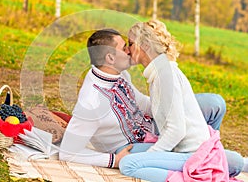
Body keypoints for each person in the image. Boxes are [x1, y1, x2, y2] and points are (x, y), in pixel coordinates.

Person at [59, 28, 244, 177]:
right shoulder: (90, 102)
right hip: (133, 145)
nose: (130, 50)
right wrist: (113, 160)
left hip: (153, 126)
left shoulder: (120, 74)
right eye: (125, 47)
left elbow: (145, 105)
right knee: (233, 162)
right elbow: (67, 152)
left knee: (215, 103)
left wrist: (172, 103)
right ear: (110, 58)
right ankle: (206, 162)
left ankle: (206, 151)